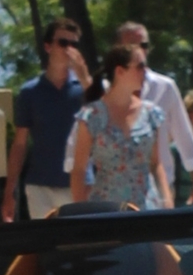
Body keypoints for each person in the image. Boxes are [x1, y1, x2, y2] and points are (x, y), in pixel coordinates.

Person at [4, 16, 86, 221]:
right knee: (45, 248)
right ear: (48, 46)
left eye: (74, 44)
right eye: (63, 42)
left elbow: (106, 124)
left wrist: (85, 78)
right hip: (39, 186)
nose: (68, 49)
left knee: (77, 247)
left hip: (78, 185)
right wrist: (9, 191)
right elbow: (20, 144)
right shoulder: (30, 92)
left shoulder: (85, 91)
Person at [70, 45, 172, 210]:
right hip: (106, 210)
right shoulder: (92, 116)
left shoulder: (151, 114)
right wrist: (80, 212)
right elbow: (79, 171)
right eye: (139, 66)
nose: (145, 71)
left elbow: (155, 163)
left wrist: (167, 199)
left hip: (146, 207)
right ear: (120, 71)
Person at [116, 20, 193, 203]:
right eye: (133, 45)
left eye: (144, 45)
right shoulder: (105, 89)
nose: (140, 50)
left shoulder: (165, 87)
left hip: (160, 186)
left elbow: (183, 134)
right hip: (116, 187)